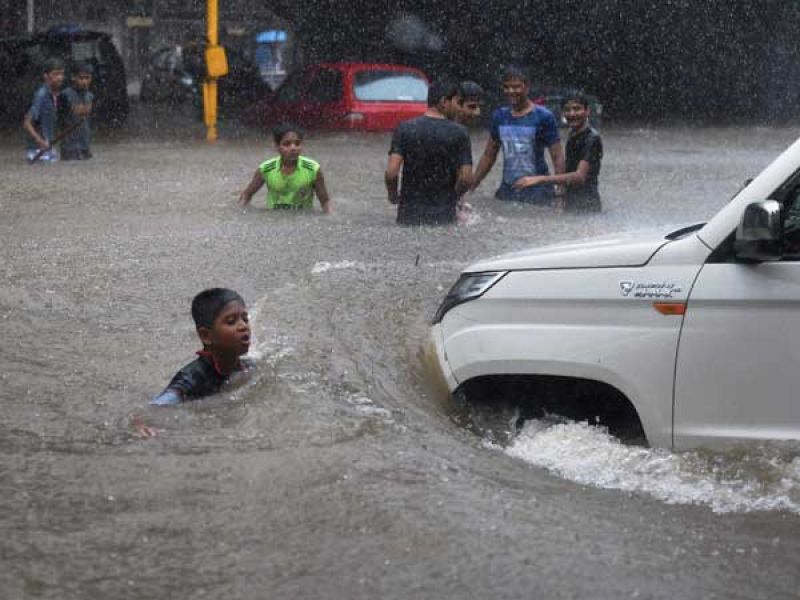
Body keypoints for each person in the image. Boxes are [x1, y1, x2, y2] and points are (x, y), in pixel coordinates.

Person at [384, 78, 473, 226]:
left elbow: (391, 172)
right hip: (443, 216)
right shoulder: (460, 133)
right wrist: (452, 197)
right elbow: (466, 178)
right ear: (444, 101)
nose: (459, 108)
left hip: (409, 215)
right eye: (457, 102)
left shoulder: (405, 128)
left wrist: (393, 196)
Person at [471, 66, 565, 204]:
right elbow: (488, 155)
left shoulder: (544, 116)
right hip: (508, 190)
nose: (511, 91)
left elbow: (557, 157)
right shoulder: (499, 116)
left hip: (538, 191)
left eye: (516, 87)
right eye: (506, 87)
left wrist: (561, 191)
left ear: (527, 87)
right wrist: (472, 185)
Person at [151, 288, 252, 405]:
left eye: (245, 319)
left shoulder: (247, 367)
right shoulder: (192, 377)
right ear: (206, 336)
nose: (243, 326)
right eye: (231, 321)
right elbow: (155, 408)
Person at [514, 92, 603, 212]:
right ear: (562, 114)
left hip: (587, 205)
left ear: (587, 111)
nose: (572, 114)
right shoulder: (573, 134)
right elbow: (570, 168)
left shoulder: (592, 138)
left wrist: (541, 179)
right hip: (573, 201)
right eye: (567, 110)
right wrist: (560, 195)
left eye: (577, 109)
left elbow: (579, 177)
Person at [238, 123, 332, 213]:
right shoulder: (266, 169)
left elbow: (325, 202)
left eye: (297, 143)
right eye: (287, 144)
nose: (293, 148)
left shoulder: (313, 169)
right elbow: (246, 195)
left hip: (302, 221)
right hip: (273, 220)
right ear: (277, 146)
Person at [23, 57, 65, 163]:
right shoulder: (41, 94)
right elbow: (27, 123)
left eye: (61, 74)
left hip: (48, 148)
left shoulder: (56, 94)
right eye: (55, 74)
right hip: (38, 150)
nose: (60, 77)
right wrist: (40, 141)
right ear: (46, 76)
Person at [59, 62, 95, 161]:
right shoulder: (65, 95)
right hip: (70, 147)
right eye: (81, 78)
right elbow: (76, 111)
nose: (84, 81)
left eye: (87, 78)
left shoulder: (90, 96)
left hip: (85, 145)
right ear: (73, 77)